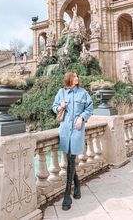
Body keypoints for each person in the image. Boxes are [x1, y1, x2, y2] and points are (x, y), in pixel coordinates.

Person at [52, 70, 93, 211]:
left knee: (71, 158)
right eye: (74, 76)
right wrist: (60, 107)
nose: (77, 77)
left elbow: (90, 107)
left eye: (77, 76)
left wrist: (82, 118)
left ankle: (66, 195)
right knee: (69, 159)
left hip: (77, 130)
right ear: (69, 78)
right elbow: (54, 107)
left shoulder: (83, 92)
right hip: (64, 129)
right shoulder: (61, 93)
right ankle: (77, 186)